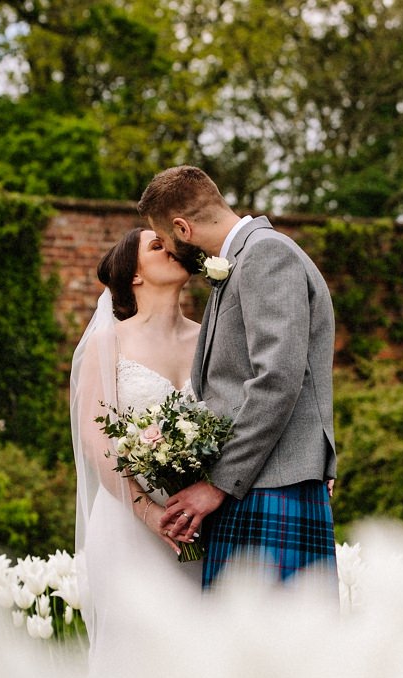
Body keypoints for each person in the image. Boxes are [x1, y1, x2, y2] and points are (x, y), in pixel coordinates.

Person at [136, 165, 339, 592]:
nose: (171, 251)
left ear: (181, 227)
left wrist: (216, 484)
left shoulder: (266, 255)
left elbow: (278, 379)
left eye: (167, 240)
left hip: (269, 484)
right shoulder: (245, 261)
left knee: (271, 649)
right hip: (259, 482)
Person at [70, 227, 202, 656]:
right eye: (157, 245)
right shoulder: (109, 343)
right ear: (134, 275)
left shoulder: (209, 340)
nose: (172, 249)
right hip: (128, 525)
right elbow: (96, 440)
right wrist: (147, 512)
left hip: (197, 527)